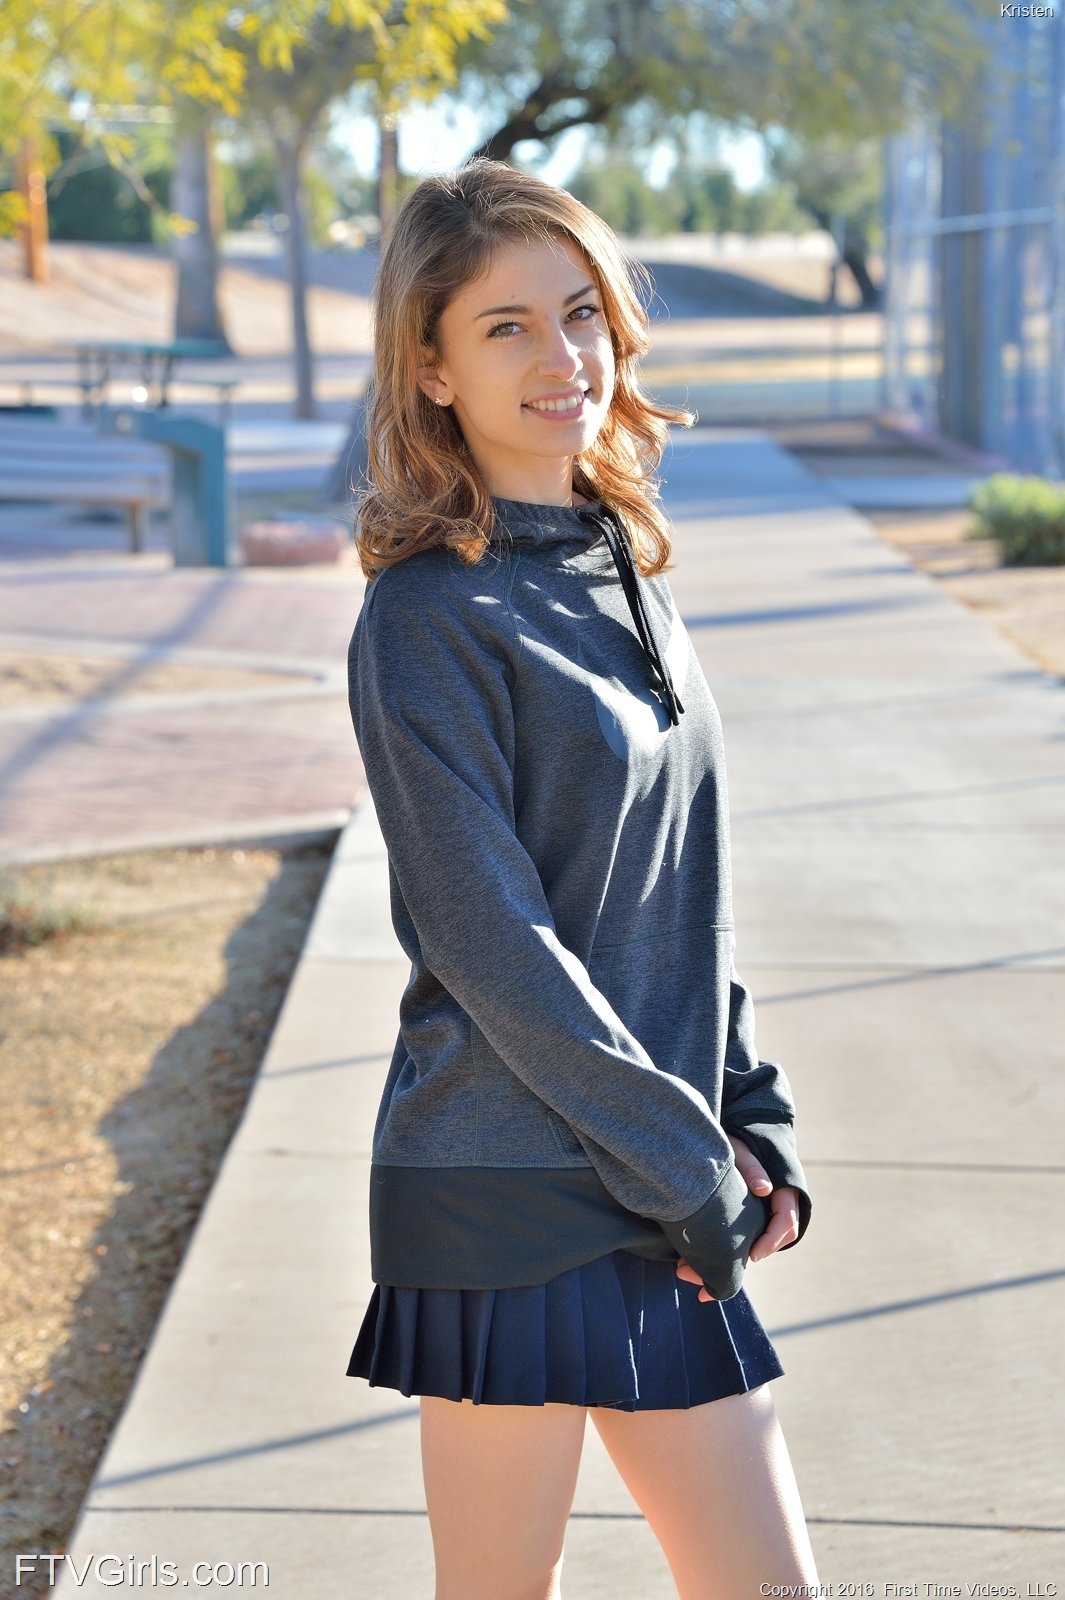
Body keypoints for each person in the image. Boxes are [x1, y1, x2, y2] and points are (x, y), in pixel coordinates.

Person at [345, 157, 821, 1599]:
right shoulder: (429, 619)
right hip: (508, 1185)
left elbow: (682, 882)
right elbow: (491, 939)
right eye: (504, 328)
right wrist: (686, 1161)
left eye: (581, 315)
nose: (564, 360)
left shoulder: (619, 566)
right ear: (427, 367)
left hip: (649, 1160)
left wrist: (746, 1105)